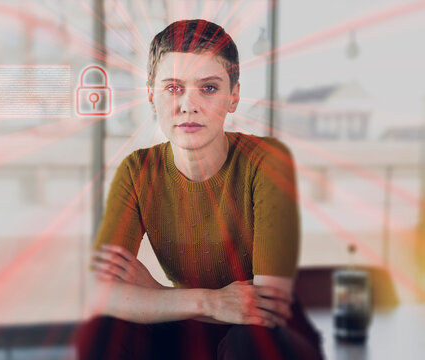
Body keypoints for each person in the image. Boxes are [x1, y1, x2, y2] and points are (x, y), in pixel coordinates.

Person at [75, 19, 324, 360]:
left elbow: (264, 309)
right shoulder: (137, 170)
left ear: (233, 97)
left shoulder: (266, 161)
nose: (188, 105)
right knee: (101, 332)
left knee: (247, 343)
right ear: (151, 95)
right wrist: (210, 302)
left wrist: (157, 294)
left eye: (208, 88)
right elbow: (101, 294)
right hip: (193, 329)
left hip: (268, 339)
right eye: (173, 88)